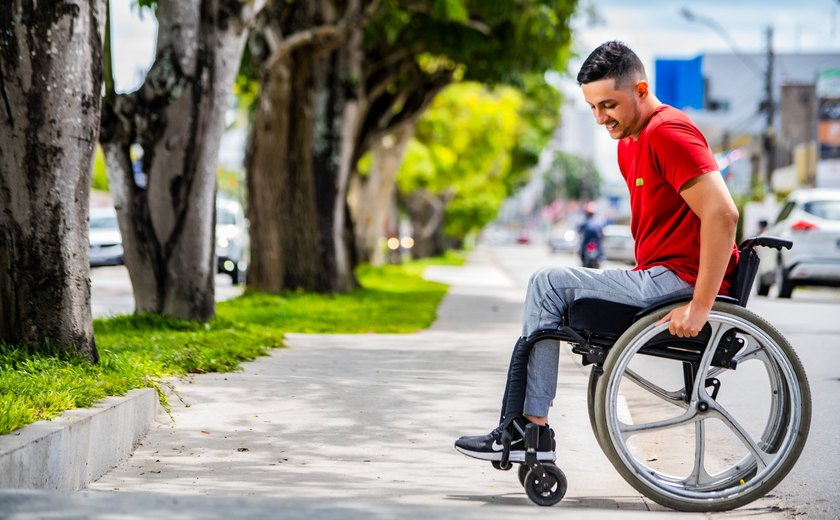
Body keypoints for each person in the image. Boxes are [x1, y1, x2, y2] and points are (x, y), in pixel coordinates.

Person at [454, 41, 739, 464]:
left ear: (641, 90)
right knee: (550, 293)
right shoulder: (629, 144)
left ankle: (529, 431)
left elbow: (723, 214)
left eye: (608, 105)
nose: (601, 118)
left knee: (547, 283)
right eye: (592, 107)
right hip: (656, 275)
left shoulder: (668, 132)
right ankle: (527, 429)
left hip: (677, 280)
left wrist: (701, 306)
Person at [577, 202, 603, 267]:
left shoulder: (586, 221)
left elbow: (579, 230)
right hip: (592, 243)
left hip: (590, 242)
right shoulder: (597, 221)